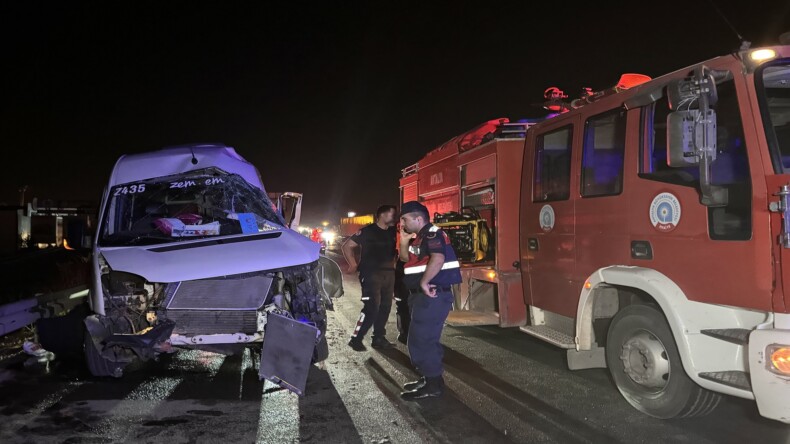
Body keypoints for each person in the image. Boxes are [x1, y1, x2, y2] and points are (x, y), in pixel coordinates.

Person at [398, 201, 461, 400]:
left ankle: (433, 384)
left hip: (431, 294)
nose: (402, 223)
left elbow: (438, 257)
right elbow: (403, 259)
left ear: (418, 219)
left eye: (405, 219)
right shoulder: (419, 238)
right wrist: (403, 240)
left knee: (423, 339)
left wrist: (425, 282)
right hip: (421, 295)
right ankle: (430, 378)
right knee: (418, 338)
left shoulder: (432, 233)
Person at [342, 205, 398, 351]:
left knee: (385, 307)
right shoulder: (368, 231)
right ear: (382, 215)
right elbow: (347, 246)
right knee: (372, 307)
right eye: (391, 214)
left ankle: (378, 338)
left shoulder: (393, 232)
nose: (394, 217)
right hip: (370, 273)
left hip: (389, 273)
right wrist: (353, 264)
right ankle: (356, 338)